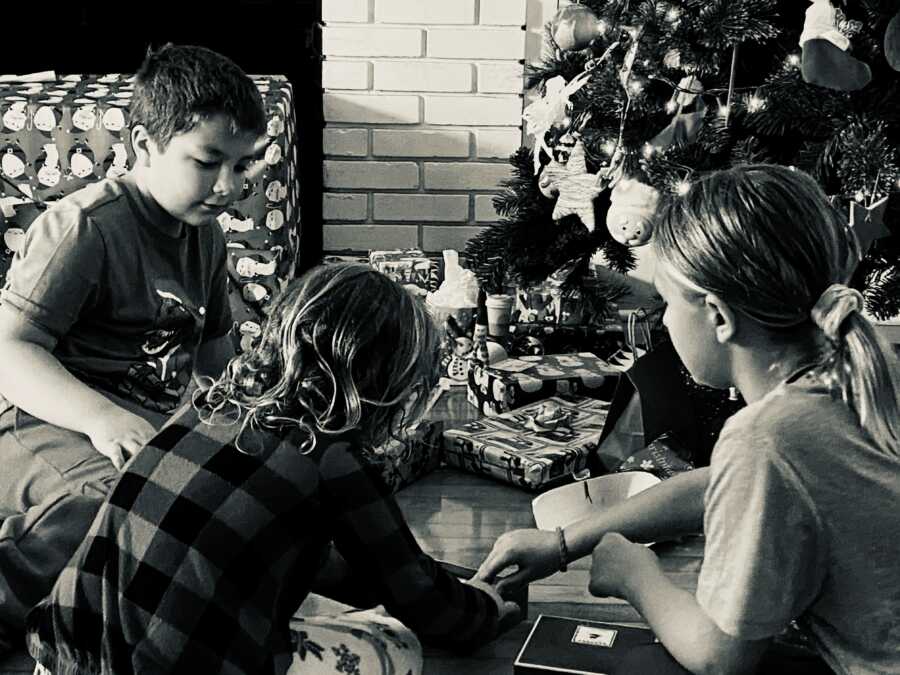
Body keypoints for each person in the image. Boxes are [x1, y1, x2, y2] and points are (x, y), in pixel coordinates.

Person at [478, 164, 900, 675]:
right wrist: (567, 542)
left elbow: (719, 656)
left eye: (666, 302)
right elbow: (717, 486)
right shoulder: (872, 369)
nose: (663, 321)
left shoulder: (767, 438)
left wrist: (636, 576)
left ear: (719, 316)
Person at [25, 262, 520, 674]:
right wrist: (485, 611)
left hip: (61, 653)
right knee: (400, 650)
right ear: (386, 382)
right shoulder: (332, 460)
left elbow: (306, 558)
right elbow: (418, 596)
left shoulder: (206, 407)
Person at [0, 43, 268, 651]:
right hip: (33, 419)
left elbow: (215, 360)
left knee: (231, 500)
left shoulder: (205, 236)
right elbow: (8, 351)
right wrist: (102, 417)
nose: (228, 186)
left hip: (134, 426)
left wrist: (249, 431)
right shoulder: (85, 227)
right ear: (144, 145)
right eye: (207, 162)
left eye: (243, 165)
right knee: (117, 504)